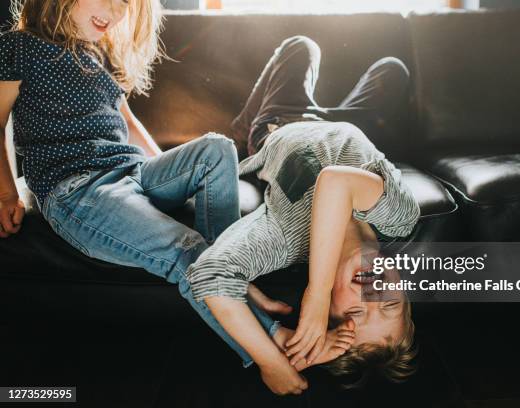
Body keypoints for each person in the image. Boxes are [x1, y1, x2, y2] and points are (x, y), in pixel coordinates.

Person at [0, 0, 357, 390]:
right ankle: (269, 344)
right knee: (187, 249)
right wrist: (5, 194)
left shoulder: (96, 53)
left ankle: (230, 270)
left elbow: (130, 123)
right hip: (80, 189)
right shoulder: (21, 47)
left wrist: (171, 173)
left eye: (125, 5)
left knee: (216, 148)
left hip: (132, 172)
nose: (117, 12)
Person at [186, 35, 421, 394]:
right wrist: (319, 293)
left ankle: (242, 130)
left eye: (355, 314)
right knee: (394, 69)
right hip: (350, 128)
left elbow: (208, 274)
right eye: (388, 303)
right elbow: (338, 181)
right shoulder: (398, 217)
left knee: (301, 45)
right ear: (403, 291)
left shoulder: (284, 237)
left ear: (324, 317)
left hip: (283, 124)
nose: (372, 295)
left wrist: (272, 361)